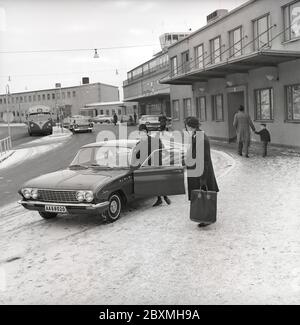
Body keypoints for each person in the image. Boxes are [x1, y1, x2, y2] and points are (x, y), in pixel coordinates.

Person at [185, 116, 219, 228]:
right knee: (202, 195)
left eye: (186, 125)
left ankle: (206, 218)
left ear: (190, 126)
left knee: (204, 195)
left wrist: (203, 178)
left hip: (201, 172)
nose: (186, 127)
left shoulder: (200, 138)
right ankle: (203, 217)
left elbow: (203, 159)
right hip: (197, 171)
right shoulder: (196, 135)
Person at [135, 124, 171, 207]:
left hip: (153, 165)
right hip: (153, 165)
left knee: (156, 181)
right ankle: (162, 198)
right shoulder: (154, 140)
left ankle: (163, 198)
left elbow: (138, 156)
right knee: (157, 181)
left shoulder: (143, 142)